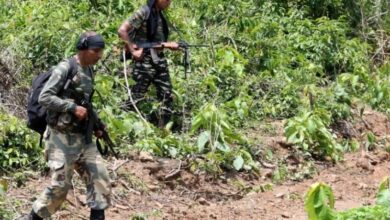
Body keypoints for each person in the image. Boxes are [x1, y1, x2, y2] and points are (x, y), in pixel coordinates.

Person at [25, 31, 111, 220]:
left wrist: (95, 125)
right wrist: (71, 107)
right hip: (60, 138)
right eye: (96, 50)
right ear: (83, 49)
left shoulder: (89, 69)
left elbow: (86, 102)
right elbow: (45, 97)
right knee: (60, 188)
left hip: (83, 138)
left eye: (101, 51)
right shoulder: (65, 68)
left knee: (100, 180)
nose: (99, 55)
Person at [118, 0, 179, 128]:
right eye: (167, 0)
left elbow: (156, 41)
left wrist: (167, 46)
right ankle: (125, 128)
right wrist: (133, 50)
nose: (169, 2)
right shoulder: (144, 12)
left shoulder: (159, 14)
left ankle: (163, 130)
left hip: (158, 59)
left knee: (166, 95)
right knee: (135, 96)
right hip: (144, 61)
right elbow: (122, 30)